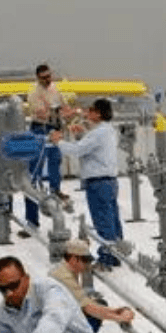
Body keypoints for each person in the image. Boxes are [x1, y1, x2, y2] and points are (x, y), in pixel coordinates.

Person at [51, 98, 125, 268]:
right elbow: (89, 147)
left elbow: (77, 150)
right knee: (112, 220)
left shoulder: (98, 133)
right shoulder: (106, 130)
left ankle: (106, 259)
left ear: (98, 113)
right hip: (109, 182)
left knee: (103, 222)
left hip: (98, 183)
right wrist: (80, 134)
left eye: (90, 110)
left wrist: (58, 142)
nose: (87, 113)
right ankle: (116, 255)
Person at [48, 239, 135, 333]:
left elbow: (88, 306)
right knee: (94, 314)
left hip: (60, 321)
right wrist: (120, 318)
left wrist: (117, 311)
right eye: (85, 261)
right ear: (74, 259)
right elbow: (89, 309)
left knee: (99, 304)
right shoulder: (64, 277)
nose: (87, 265)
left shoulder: (66, 269)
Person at [26, 63, 68, 203]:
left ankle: (55, 190)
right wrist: (54, 112)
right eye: (44, 77)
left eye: (49, 76)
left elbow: (63, 106)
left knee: (55, 159)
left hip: (53, 127)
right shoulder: (34, 93)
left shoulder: (54, 89)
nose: (47, 79)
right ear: (38, 78)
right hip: (40, 128)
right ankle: (35, 191)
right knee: (38, 161)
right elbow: (41, 114)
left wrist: (68, 113)